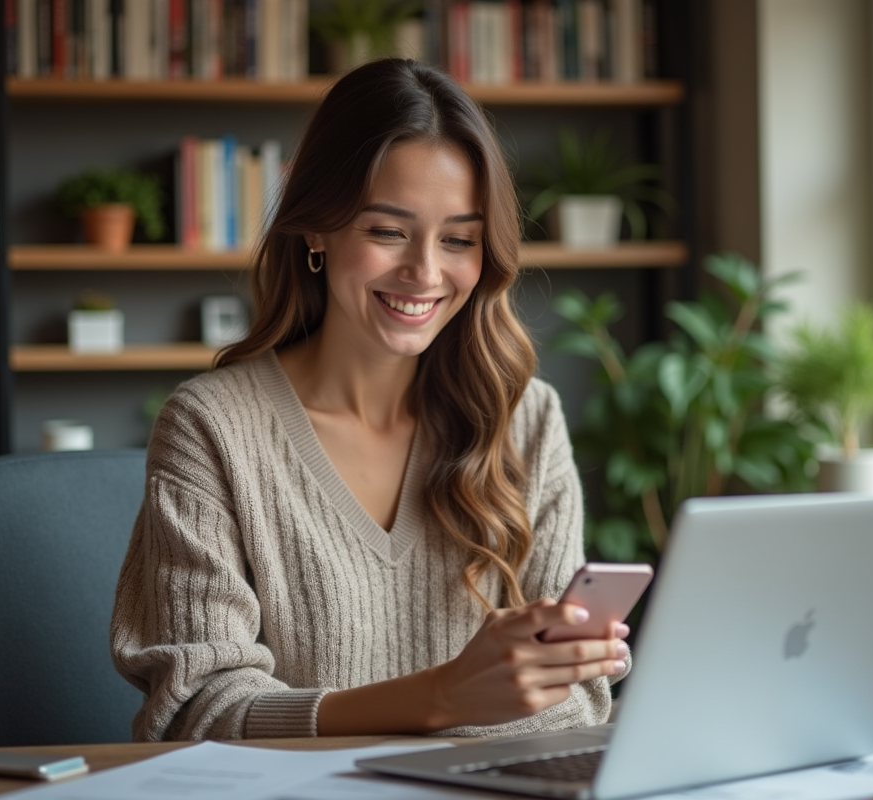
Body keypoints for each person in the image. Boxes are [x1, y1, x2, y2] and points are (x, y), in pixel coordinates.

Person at [110, 58, 630, 742]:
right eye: (387, 231)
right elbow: (196, 711)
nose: (425, 272)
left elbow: (580, 703)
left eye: (459, 240)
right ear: (317, 227)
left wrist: (532, 684)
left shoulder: (525, 420)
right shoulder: (211, 427)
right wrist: (442, 698)